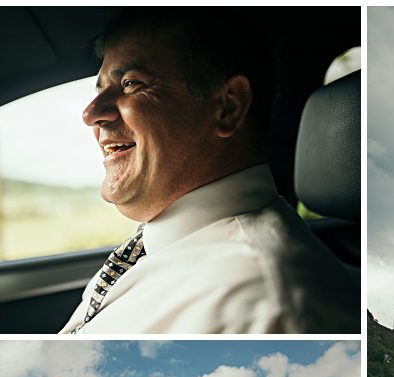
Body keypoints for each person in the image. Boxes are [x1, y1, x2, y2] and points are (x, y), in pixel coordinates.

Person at [59, 10, 356, 334]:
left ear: (228, 107)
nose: (91, 113)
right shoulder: (165, 248)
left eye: (131, 84)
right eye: (99, 90)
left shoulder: (261, 304)